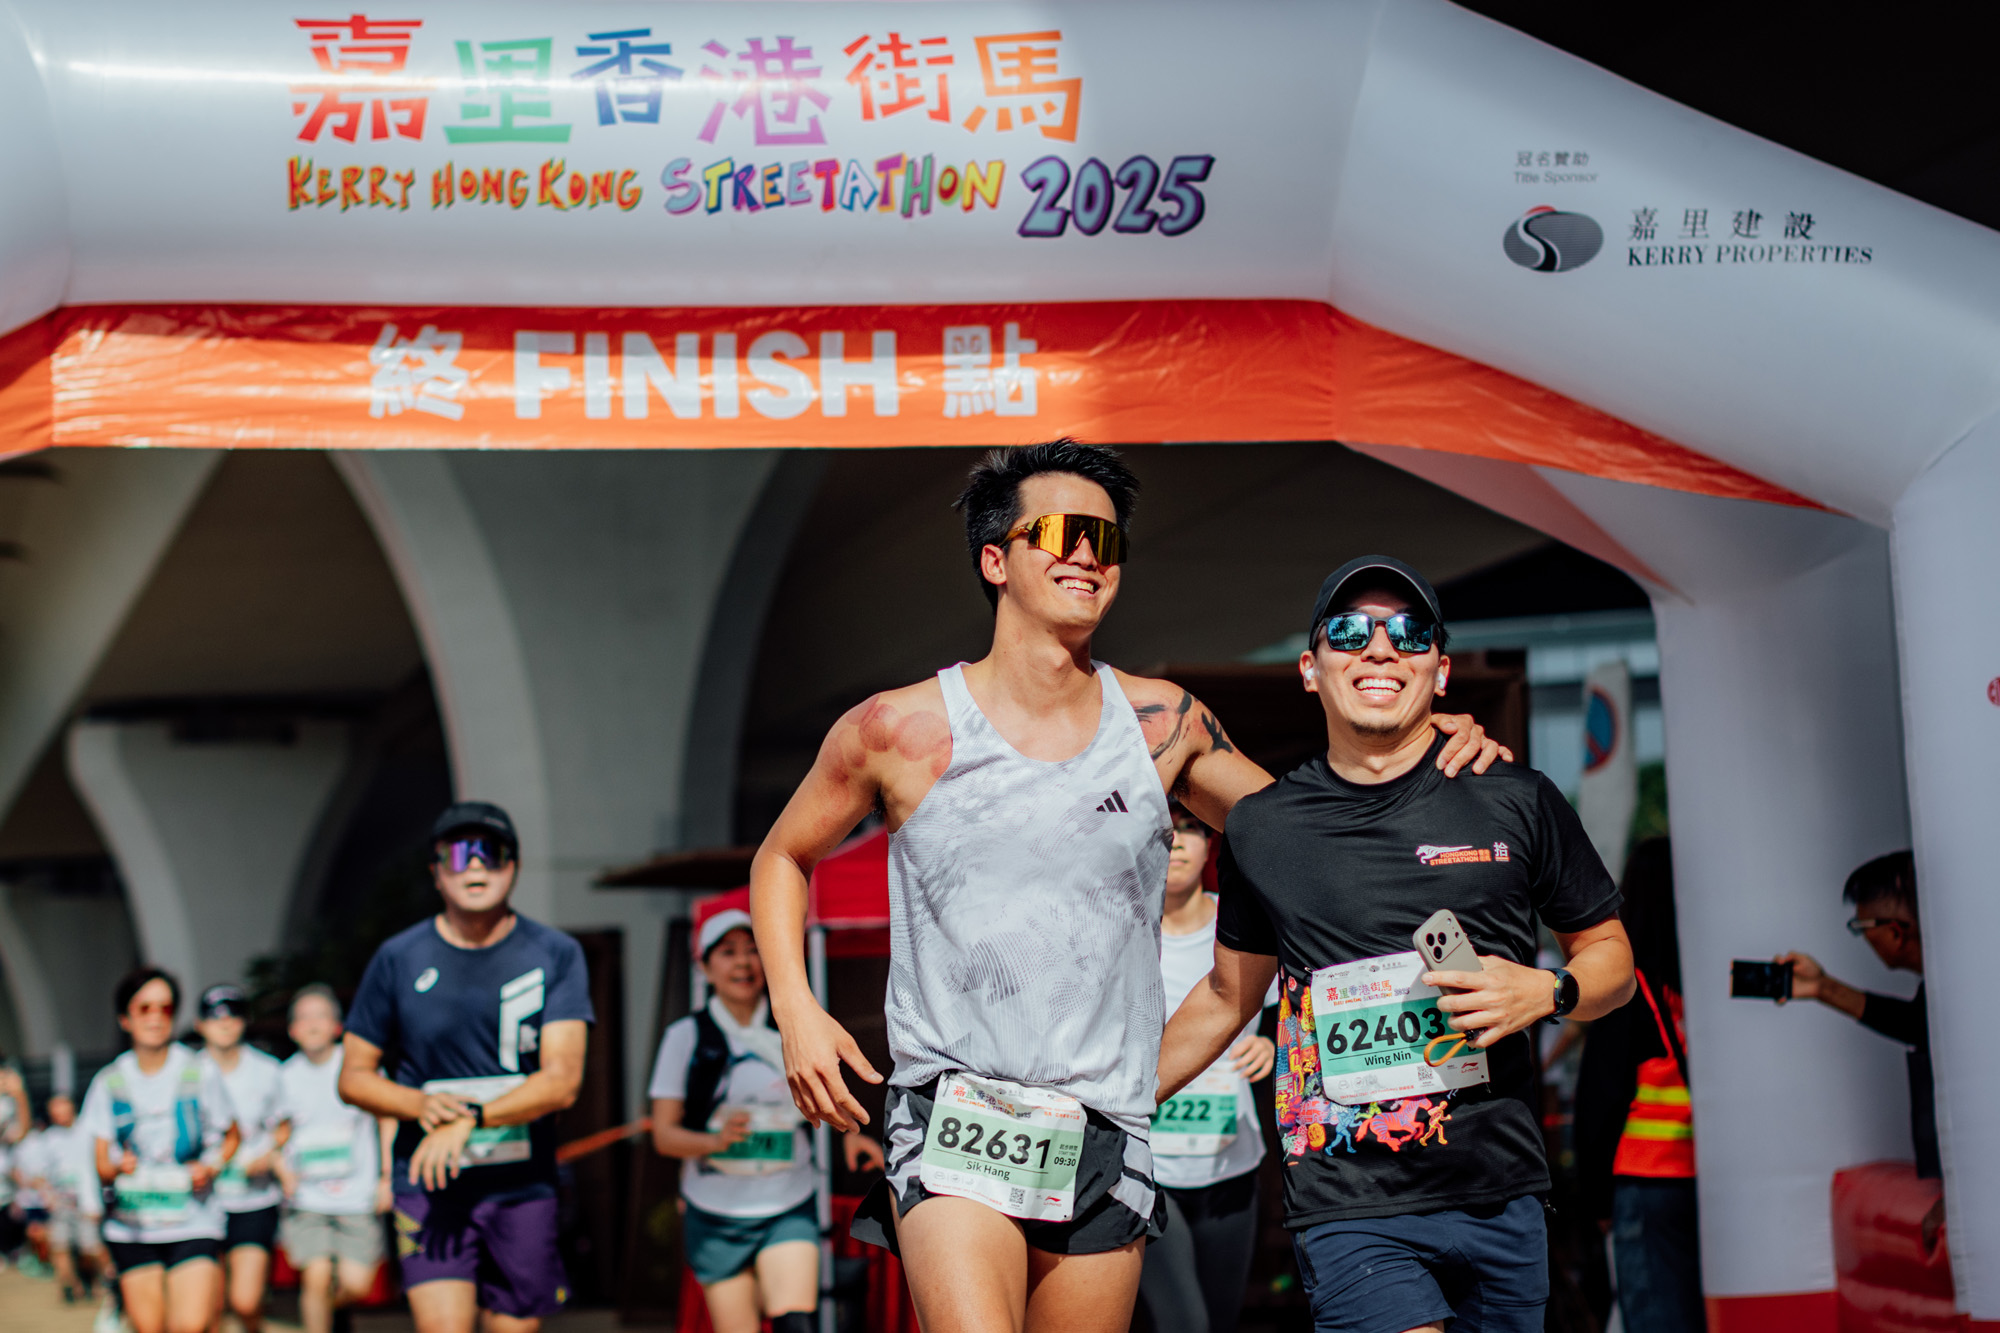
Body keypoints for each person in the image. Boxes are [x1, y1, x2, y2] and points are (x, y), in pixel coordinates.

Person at [749, 444, 1506, 1333]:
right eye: (1061, 532)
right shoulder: (897, 726)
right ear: (995, 559)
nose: (1088, 554)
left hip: (1103, 1124)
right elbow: (781, 856)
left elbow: (1305, 837)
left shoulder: (1164, 723)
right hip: (954, 1111)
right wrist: (795, 1009)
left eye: (1106, 540)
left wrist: (1410, 740)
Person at [1159, 554, 1634, 1333]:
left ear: (1439, 671)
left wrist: (1547, 991)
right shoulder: (1263, 827)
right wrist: (1114, 1102)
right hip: (1347, 1198)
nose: (1380, 647)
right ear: (1310, 668)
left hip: (1500, 1187)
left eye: (1409, 634)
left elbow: (1613, 959)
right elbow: (1225, 995)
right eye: (1351, 631)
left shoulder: (1517, 799)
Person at [339, 801, 592, 1333]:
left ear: (513, 867)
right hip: (428, 1182)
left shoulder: (556, 953)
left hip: (522, 1184)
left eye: (490, 853)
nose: (475, 865)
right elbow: (354, 1076)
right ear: (436, 872)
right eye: (458, 854)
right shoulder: (398, 958)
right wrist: (420, 1104)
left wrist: (471, 1119)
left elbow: (563, 1082)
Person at [646, 909, 885, 1333]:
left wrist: (848, 1135)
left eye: (754, 950)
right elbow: (664, 1136)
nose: (743, 962)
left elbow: (825, 1099)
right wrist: (715, 1142)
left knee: (797, 1323)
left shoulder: (796, 1030)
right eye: (728, 952)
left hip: (787, 1203)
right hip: (714, 1212)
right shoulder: (685, 1037)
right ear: (705, 967)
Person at [1139, 805, 1278, 1333]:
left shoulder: (1244, 925)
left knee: (1220, 1323)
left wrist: (1272, 1045)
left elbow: (1297, 1007)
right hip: (1148, 1167)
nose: (1176, 840)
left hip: (1230, 1167)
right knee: (1185, 1324)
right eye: (1165, 829)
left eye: (1190, 829)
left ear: (1209, 847)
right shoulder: (1125, 930)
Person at [1574, 837, 1701, 1333]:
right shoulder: (1697, 988)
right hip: (1705, 1179)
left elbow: (1601, 1099)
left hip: (1647, 1180)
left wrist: (1595, 1198)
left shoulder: (1631, 990)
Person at [80, 966, 242, 1333]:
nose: (155, 1018)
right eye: (144, 1008)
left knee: (191, 1325)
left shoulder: (201, 1071)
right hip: (133, 1226)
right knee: (150, 1327)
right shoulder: (108, 1081)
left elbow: (233, 1136)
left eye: (165, 1008)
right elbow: (101, 1163)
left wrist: (211, 1166)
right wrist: (118, 1167)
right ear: (125, 1019)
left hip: (194, 1219)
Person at [1777, 851, 1935, 1179]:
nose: (1863, 937)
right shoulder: (1946, 992)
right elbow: (1917, 1025)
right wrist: (1822, 988)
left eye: (1861, 926)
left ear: (1895, 932)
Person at [274, 984, 389, 1333]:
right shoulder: (284, 1077)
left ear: (338, 1027)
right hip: (308, 1197)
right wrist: (283, 1170)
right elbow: (276, 1133)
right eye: (304, 1017)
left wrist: (386, 1177)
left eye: (320, 1016)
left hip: (358, 1196)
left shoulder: (359, 1067)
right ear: (292, 1030)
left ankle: (335, 1310)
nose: (312, 1024)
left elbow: (387, 1118)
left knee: (358, 1284)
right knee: (316, 1277)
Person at [196, 984, 285, 1333]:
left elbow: (285, 1124)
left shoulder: (268, 1070)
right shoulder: (189, 1072)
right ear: (200, 1024)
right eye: (215, 1016)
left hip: (254, 1198)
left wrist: (269, 1154)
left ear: (245, 1021)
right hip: (203, 1201)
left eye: (233, 1014)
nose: (225, 1022)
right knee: (209, 1308)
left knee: (246, 1301)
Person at [29, 1092, 111, 1303]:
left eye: (62, 1108)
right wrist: (48, 1196)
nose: (59, 1113)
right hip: (60, 1202)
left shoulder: (89, 1131)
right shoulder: (48, 1139)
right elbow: (38, 1173)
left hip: (87, 1200)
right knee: (59, 1245)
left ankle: (109, 1282)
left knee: (91, 1247)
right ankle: (70, 1287)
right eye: (55, 1110)